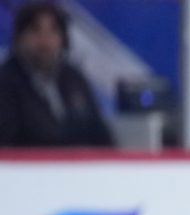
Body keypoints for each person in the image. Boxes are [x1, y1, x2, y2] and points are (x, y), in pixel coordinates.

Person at [0, 1, 113, 147]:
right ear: (19, 37)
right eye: (35, 31)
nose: (45, 41)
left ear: (62, 38)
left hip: (80, 160)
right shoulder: (5, 82)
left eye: (53, 31)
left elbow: (101, 134)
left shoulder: (73, 78)